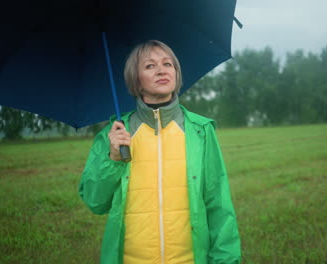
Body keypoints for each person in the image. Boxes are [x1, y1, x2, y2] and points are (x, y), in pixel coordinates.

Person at [79, 40, 240, 264]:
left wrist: (225, 259)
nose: (162, 70)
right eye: (150, 66)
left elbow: (219, 204)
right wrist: (113, 159)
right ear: (136, 80)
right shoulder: (115, 135)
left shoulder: (201, 131)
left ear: (176, 72)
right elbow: (95, 202)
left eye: (167, 64)